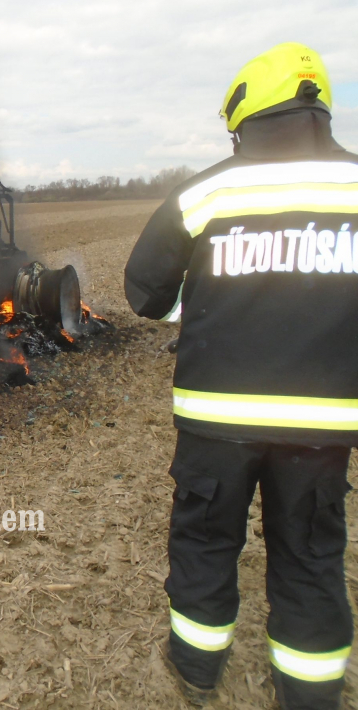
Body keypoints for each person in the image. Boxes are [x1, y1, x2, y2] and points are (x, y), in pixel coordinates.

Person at [124, 43, 358, 709]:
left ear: (246, 113)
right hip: (322, 430)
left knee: (204, 539)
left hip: (217, 421)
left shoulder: (208, 192)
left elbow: (144, 292)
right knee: (312, 554)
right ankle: (310, 693)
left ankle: (197, 670)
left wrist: (198, 306)